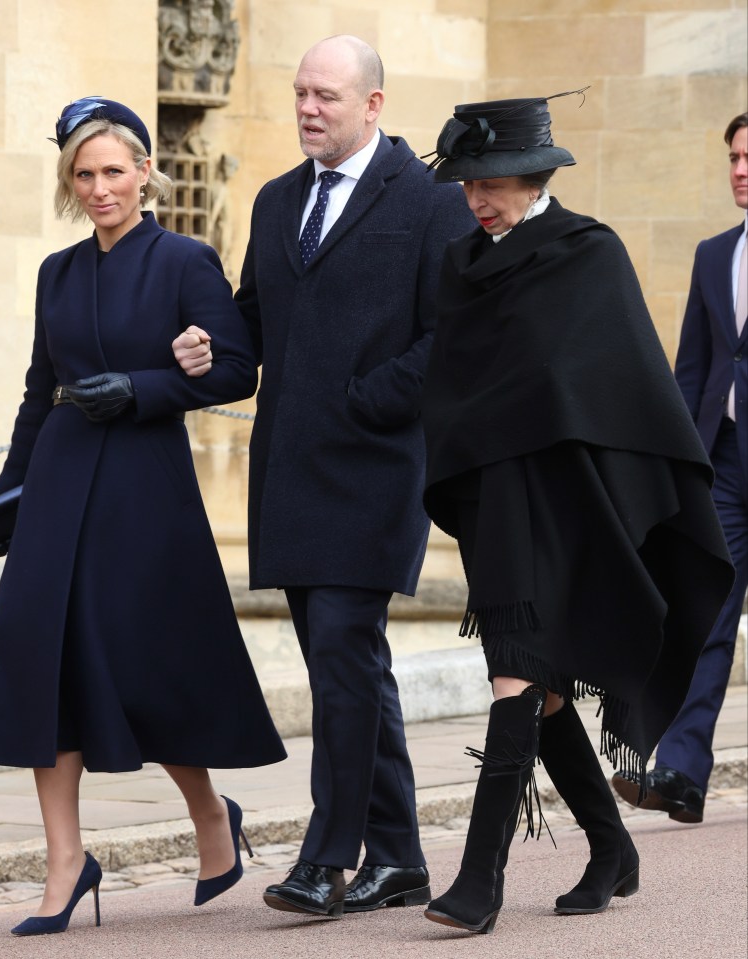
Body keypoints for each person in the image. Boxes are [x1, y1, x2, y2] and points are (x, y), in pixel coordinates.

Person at [0, 96, 286, 936]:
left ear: (145, 172)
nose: (99, 187)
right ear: (70, 182)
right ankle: (65, 859)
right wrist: (5, 502)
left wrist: (144, 388)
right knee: (46, 668)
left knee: (148, 663)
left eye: (113, 170)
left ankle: (212, 815)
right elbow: (39, 393)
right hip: (61, 479)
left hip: (144, 485)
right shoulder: (55, 273)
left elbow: (236, 371)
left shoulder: (185, 260)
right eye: (84, 173)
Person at [173, 35, 475, 917]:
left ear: (374, 106)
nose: (308, 108)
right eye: (301, 92)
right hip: (289, 480)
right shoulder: (274, 203)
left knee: (345, 658)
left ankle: (326, 856)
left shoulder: (431, 203)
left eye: (327, 97)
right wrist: (203, 353)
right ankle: (403, 856)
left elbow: (447, 341)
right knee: (349, 666)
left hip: (376, 473)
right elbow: (248, 340)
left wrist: (366, 400)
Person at [418, 93, 734, 935]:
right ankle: (610, 846)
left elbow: (622, 384)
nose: (476, 196)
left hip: (571, 504)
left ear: (530, 175)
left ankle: (479, 877)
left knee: (515, 676)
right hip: (494, 501)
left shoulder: (587, 253)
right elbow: (449, 380)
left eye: (488, 179)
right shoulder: (459, 263)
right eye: (464, 182)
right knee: (544, 689)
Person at [612, 112, 748, 824]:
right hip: (721, 468)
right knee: (708, 613)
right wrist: (676, 462)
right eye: (732, 156)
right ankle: (683, 770)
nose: (739, 169)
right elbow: (691, 367)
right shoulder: (711, 254)